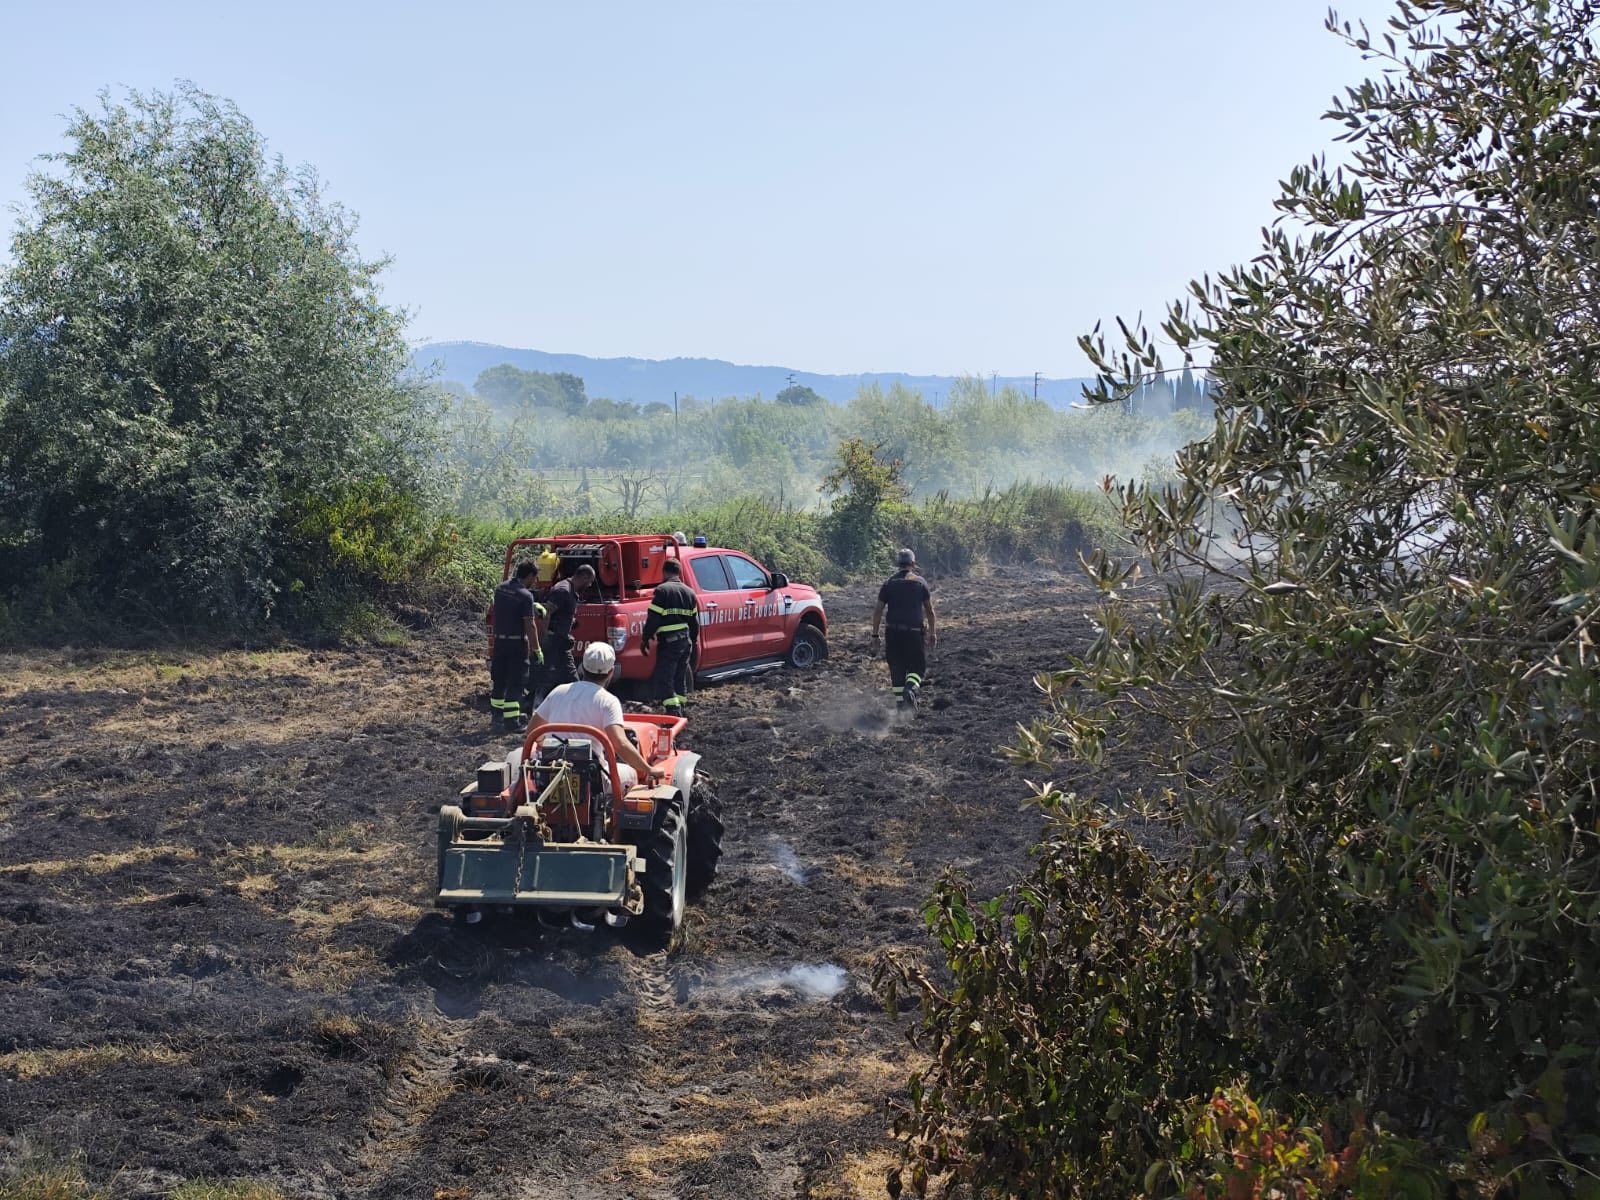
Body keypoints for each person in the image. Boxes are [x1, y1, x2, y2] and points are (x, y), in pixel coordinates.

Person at [529, 643, 664, 792]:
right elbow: (620, 744)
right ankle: (611, 813)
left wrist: (542, 744)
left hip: (550, 773)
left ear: (582, 668)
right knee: (632, 774)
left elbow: (532, 730)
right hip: (592, 779)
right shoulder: (608, 701)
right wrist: (648, 769)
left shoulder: (558, 692)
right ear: (611, 672)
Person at [871, 547, 937, 708]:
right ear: (913, 563)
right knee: (917, 668)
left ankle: (902, 706)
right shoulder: (920, 583)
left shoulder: (888, 583)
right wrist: (932, 633)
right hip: (914, 633)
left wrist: (874, 635)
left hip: (892, 633)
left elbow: (878, 610)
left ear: (897, 564)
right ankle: (910, 690)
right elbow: (929, 610)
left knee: (896, 668)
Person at [489, 562, 546, 731]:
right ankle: (512, 722)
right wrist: (537, 649)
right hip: (516, 645)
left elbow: (505, 608)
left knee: (499, 680)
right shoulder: (525, 595)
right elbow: (530, 625)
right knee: (516, 681)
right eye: (534, 578)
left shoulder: (500, 588)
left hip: (500, 642)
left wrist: (531, 606)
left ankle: (496, 718)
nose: (535, 582)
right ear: (529, 575)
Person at [640, 556, 699, 714]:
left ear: (664, 572)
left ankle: (673, 711)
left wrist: (645, 638)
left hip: (670, 643)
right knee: (680, 677)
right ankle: (681, 708)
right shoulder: (690, 593)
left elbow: (653, 618)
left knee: (664, 678)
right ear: (679, 572)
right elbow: (694, 623)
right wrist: (694, 641)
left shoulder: (662, 590)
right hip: (685, 642)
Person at [540, 564, 596, 691]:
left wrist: (571, 621)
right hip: (554, 640)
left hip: (562, 641)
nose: (589, 586)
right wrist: (544, 636)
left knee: (569, 676)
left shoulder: (570, 590)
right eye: (590, 582)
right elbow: (547, 612)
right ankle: (530, 703)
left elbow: (561, 612)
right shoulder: (563, 590)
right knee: (542, 675)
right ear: (584, 578)